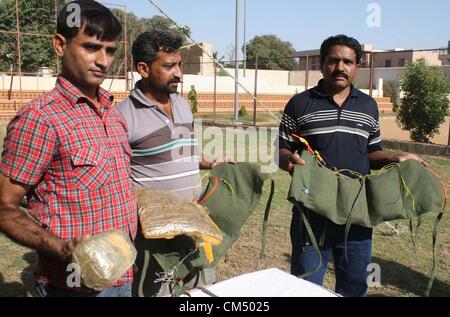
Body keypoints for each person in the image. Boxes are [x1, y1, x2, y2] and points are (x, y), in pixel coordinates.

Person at [0, 0, 137, 297]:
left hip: (123, 276)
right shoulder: (40, 119)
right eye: (91, 47)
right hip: (73, 286)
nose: (103, 60)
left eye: (110, 50)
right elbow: (5, 207)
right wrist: (60, 248)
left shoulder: (112, 113)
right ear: (60, 45)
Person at [277, 34, 426, 297]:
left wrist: (395, 158)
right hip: (312, 212)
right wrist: (289, 160)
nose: (340, 67)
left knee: (355, 287)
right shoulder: (299, 104)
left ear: (357, 66)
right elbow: (281, 151)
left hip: (357, 213)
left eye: (348, 61)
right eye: (333, 60)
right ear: (322, 64)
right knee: (303, 287)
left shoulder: (368, 106)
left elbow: (372, 153)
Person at [117, 29, 233, 297]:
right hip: (154, 237)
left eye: (179, 64)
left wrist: (207, 161)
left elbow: (182, 149)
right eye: (169, 66)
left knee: (202, 291)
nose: (179, 73)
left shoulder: (181, 104)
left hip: (193, 226)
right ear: (143, 68)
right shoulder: (122, 116)